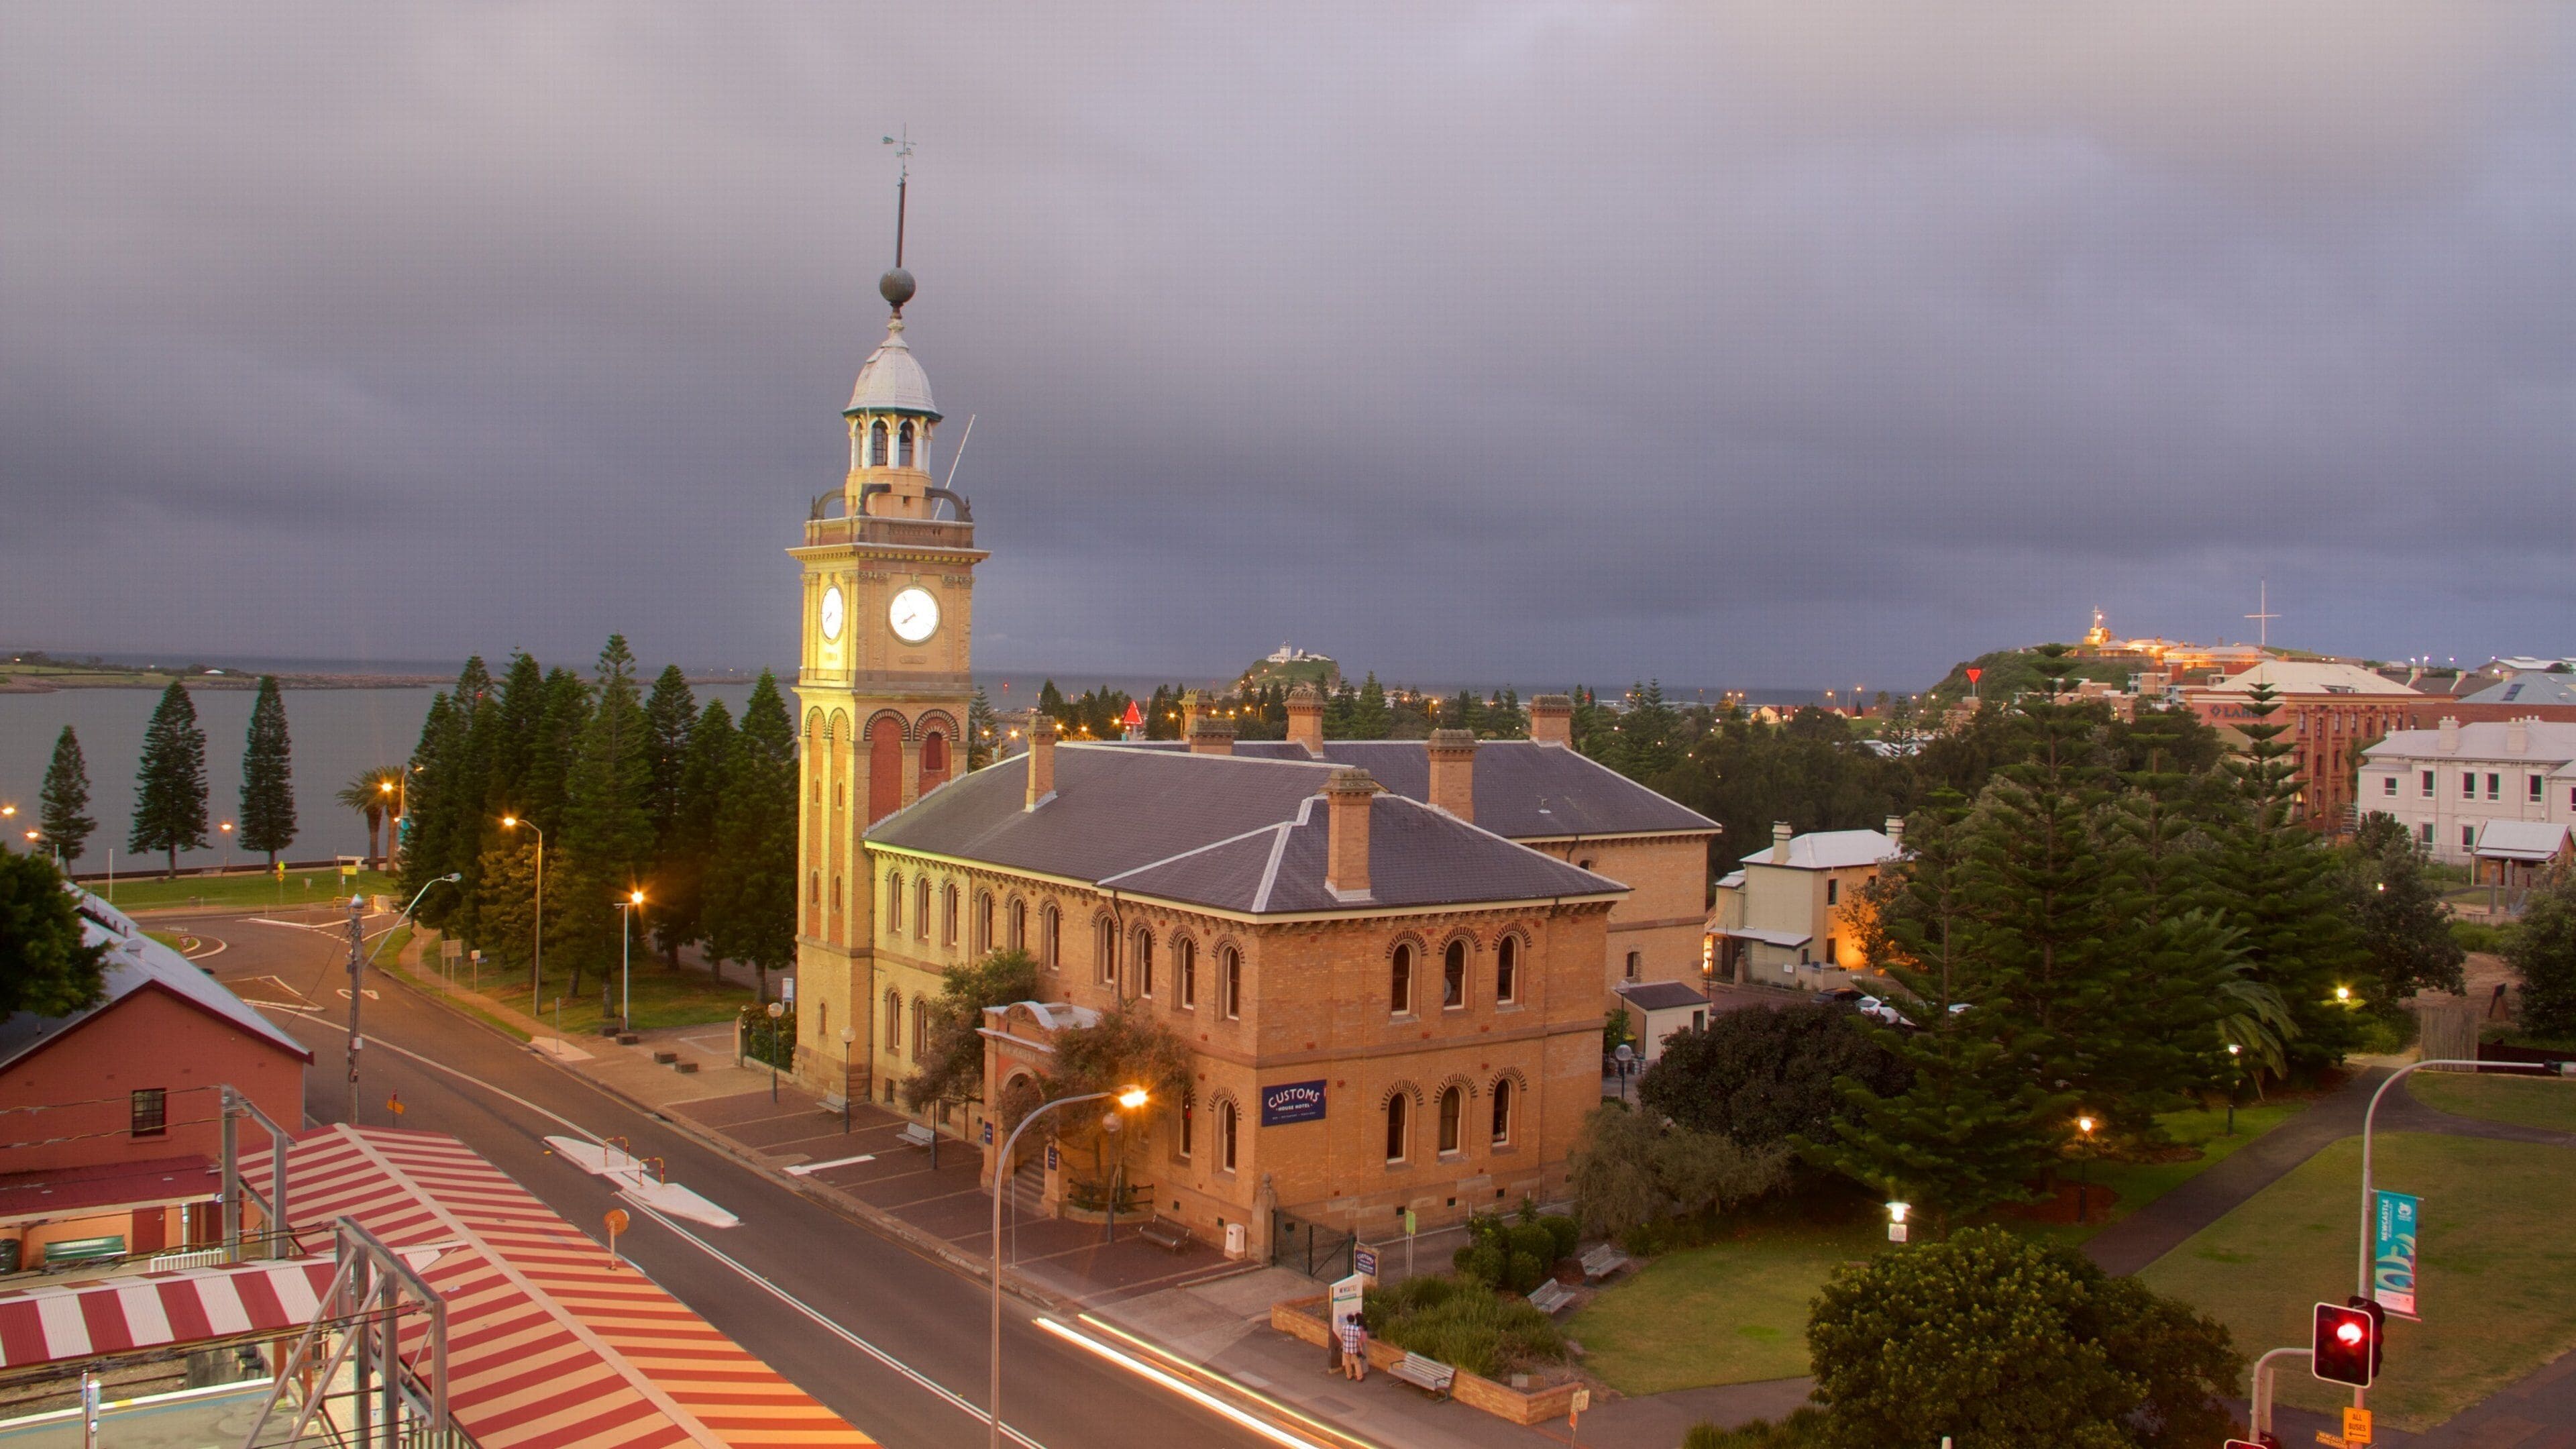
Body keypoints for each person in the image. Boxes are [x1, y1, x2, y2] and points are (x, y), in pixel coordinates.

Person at [1338, 1316, 1368, 1381]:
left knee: (1347, 1362)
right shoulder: (1356, 1329)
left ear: (1348, 1320)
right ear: (1354, 1321)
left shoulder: (1344, 1327)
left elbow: (1342, 1337)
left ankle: (1349, 1376)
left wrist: (1342, 1345)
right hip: (1354, 1349)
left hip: (1346, 1348)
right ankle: (1359, 1377)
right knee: (1357, 1362)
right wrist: (1360, 1348)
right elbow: (1358, 1340)